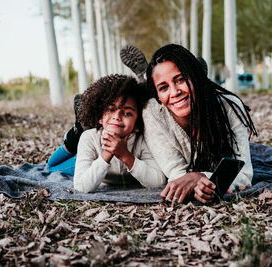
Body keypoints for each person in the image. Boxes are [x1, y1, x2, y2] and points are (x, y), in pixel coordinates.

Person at [132, 44, 257, 204]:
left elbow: (243, 175)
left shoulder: (229, 107)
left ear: (194, 77)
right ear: (158, 96)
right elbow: (177, 174)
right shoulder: (152, 112)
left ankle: (154, 78)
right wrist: (196, 181)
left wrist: (202, 179)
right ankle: (145, 78)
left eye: (181, 79)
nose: (175, 91)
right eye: (163, 87)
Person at [72, 74, 165, 192]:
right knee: (53, 166)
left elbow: (158, 181)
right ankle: (73, 135)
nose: (117, 116)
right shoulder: (89, 138)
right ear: (100, 117)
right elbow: (81, 186)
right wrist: (108, 152)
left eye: (127, 113)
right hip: (87, 163)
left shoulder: (143, 140)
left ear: (138, 123)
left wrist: (124, 154)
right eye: (111, 110)